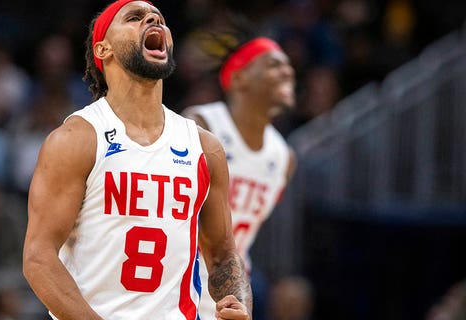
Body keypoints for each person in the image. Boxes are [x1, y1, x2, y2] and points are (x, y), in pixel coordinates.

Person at [22, 1, 252, 319]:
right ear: (103, 49)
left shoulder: (204, 147)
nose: (153, 20)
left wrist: (239, 306)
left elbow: (223, 255)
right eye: (134, 18)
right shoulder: (77, 139)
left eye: (158, 18)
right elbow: (38, 257)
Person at [183, 36, 298, 320]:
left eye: (288, 66)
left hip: (229, 293)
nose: (288, 72)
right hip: (176, 284)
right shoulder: (202, 125)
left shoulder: (284, 157)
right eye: (274, 65)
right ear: (239, 78)